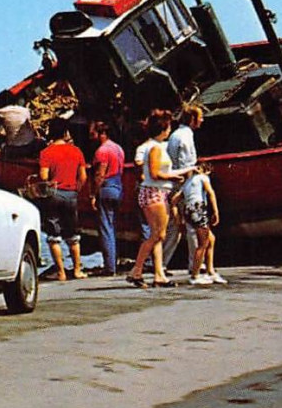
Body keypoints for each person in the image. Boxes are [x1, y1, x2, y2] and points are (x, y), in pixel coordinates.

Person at [128, 110, 187, 288]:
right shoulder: (155, 148)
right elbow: (154, 173)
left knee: (158, 236)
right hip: (154, 191)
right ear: (163, 128)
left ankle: (158, 274)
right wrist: (173, 178)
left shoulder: (157, 146)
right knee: (158, 234)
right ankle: (136, 270)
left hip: (158, 191)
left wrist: (184, 171)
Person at [37, 118, 87, 281]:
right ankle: (78, 269)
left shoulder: (46, 152)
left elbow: (44, 176)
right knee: (73, 235)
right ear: (66, 132)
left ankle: (61, 272)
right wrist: (76, 189)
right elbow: (83, 177)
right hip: (71, 193)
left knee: (53, 235)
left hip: (53, 194)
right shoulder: (77, 151)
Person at [162, 105, 203, 270]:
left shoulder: (175, 135)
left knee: (174, 227)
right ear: (192, 119)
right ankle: (195, 265)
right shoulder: (185, 137)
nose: (202, 120)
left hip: (174, 184)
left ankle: (162, 263)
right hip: (184, 186)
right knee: (192, 226)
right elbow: (186, 165)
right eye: (200, 117)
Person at [89, 120, 125, 276]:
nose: (92, 137)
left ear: (101, 133)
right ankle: (114, 261)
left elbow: (100, 174)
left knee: (105, 228)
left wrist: (92, 194)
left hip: (107, 188)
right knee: (113, 225)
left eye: (94, 133)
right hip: (118, 186)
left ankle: (110, 266)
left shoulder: (102, 151)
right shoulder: (118, 149)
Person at [182, 165, 225, 286]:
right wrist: (216, 211)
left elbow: (175, 199)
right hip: (198, 208)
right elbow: (211, 192)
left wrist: (179, 217)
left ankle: (210, 271)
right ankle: (195, 275)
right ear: (207, 171)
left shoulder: (187, 182)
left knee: (211, 239)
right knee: (203, 243)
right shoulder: (203, 177)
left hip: (189, 209)